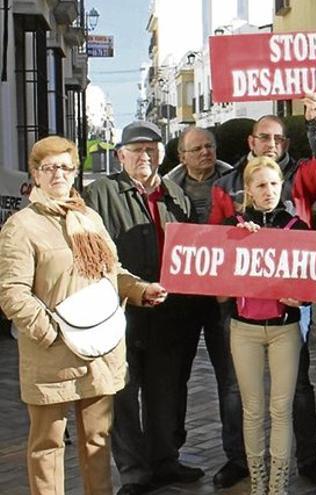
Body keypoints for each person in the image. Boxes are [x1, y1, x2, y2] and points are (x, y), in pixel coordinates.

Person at [0, 136, 167, 495]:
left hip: (99, 350)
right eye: (48, 167)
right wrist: (51, 332)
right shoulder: (22, 226)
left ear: (75, 172)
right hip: (52, 355)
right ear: (36, 174)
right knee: (48, 445)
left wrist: (139, 290)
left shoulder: (88, 217)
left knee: (97, 440)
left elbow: (112, 270)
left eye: (64, 166)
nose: (57, 174)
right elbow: (12, 292)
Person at [208, 93, 316, 488]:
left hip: (287, 318)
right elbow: (211, 252)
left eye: (279, 139)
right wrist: (235, 241)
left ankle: (304, 461)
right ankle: (245, 468)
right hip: (244, 319)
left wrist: (315, 121)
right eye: (264, 137)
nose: (271, 144)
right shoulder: (224, 189)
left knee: (294, 393)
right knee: (242, 397)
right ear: (251, 141)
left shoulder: (300, 180)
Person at [84, 121, 201, 495]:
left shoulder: (177, 196)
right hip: (120, 314)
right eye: (136, 150)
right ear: (120, 156)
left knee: (164, 393)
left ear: (162, 155)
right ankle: (134, 473)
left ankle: (165, 461)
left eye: (151, 149)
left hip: (169, 315)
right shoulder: (100, 194)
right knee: (122, 395)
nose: (144, 156)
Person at [219, 156, 309, 495]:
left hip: (285, 328)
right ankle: (258, 482)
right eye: (261, 185)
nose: (268, 191)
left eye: (274, 184)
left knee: (281, 408)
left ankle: (278, 484)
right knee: (253, 408)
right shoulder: (234, 224)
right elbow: (219, 278)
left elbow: (313, 277)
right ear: (249, 191)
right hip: (244, 328)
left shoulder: (296, 226)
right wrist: (236, 240)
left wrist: (303, 299)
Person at [165, 126, 249, 488]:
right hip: (180, 300)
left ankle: (237, 458)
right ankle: (170, 456)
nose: (204, 153)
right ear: (182, 155)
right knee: (174, 378)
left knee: (231, 380)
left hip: (224, 298)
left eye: (209, 146)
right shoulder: (167, 188)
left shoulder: (235, 182)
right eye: (196, 148)